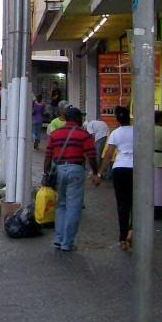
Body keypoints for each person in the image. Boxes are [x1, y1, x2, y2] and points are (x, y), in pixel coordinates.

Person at [43, 105, 101, 251]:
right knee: (73, 207)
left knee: (61, 205)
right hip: (76, 170)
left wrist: (45, 174)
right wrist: (95, 173)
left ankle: (58, 238)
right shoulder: (83, 134)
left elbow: (48, 155)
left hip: (59, 170)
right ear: (76, 119)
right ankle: (67, 242)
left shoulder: (55, 134)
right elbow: (91, 156)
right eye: (80, 117)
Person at [101, 105, 135, 250]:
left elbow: (109, 154)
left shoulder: (115, 133)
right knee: (135, 202)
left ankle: (122, 237)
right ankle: (132, 231)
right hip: (136, 169)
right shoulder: (137, 131)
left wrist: (100, 172)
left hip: (119, 168)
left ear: (118, 119)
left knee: (122, 204)